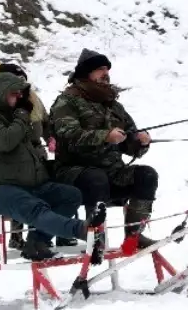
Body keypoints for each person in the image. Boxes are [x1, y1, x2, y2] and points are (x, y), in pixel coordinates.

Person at [0, 70, 99, 261]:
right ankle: (81, 230)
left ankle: (37, 242)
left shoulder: (16, 119)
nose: (19, 98)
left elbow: (30, 148)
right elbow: (6, 141)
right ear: (1, 94)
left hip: (24, 186)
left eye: (21, 94)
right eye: (14, 94)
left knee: (70, 195)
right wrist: (22, 115)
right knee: (34, 207)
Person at [50, 48, 159, 252]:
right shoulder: (67, 101)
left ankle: (133, 236)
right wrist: (105, 136)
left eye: (107, 69)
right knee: (96, 177)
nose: (106, 73)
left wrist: (139, 142)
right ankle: (95, 234)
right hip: (74, 173)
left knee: (146, 175)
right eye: (100, 69)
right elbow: (68, 135)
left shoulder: (113, 105)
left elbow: (128, 142)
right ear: (86, 73)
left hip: (112, 174)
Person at [0, 60, 77, 249]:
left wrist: (51, 137)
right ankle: (5, 235)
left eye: (21, 80)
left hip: (36, 155)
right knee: (17, 193)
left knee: (50, 190)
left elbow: (46, 122)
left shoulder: (34, 99)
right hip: (7, 158)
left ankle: (47, 233)